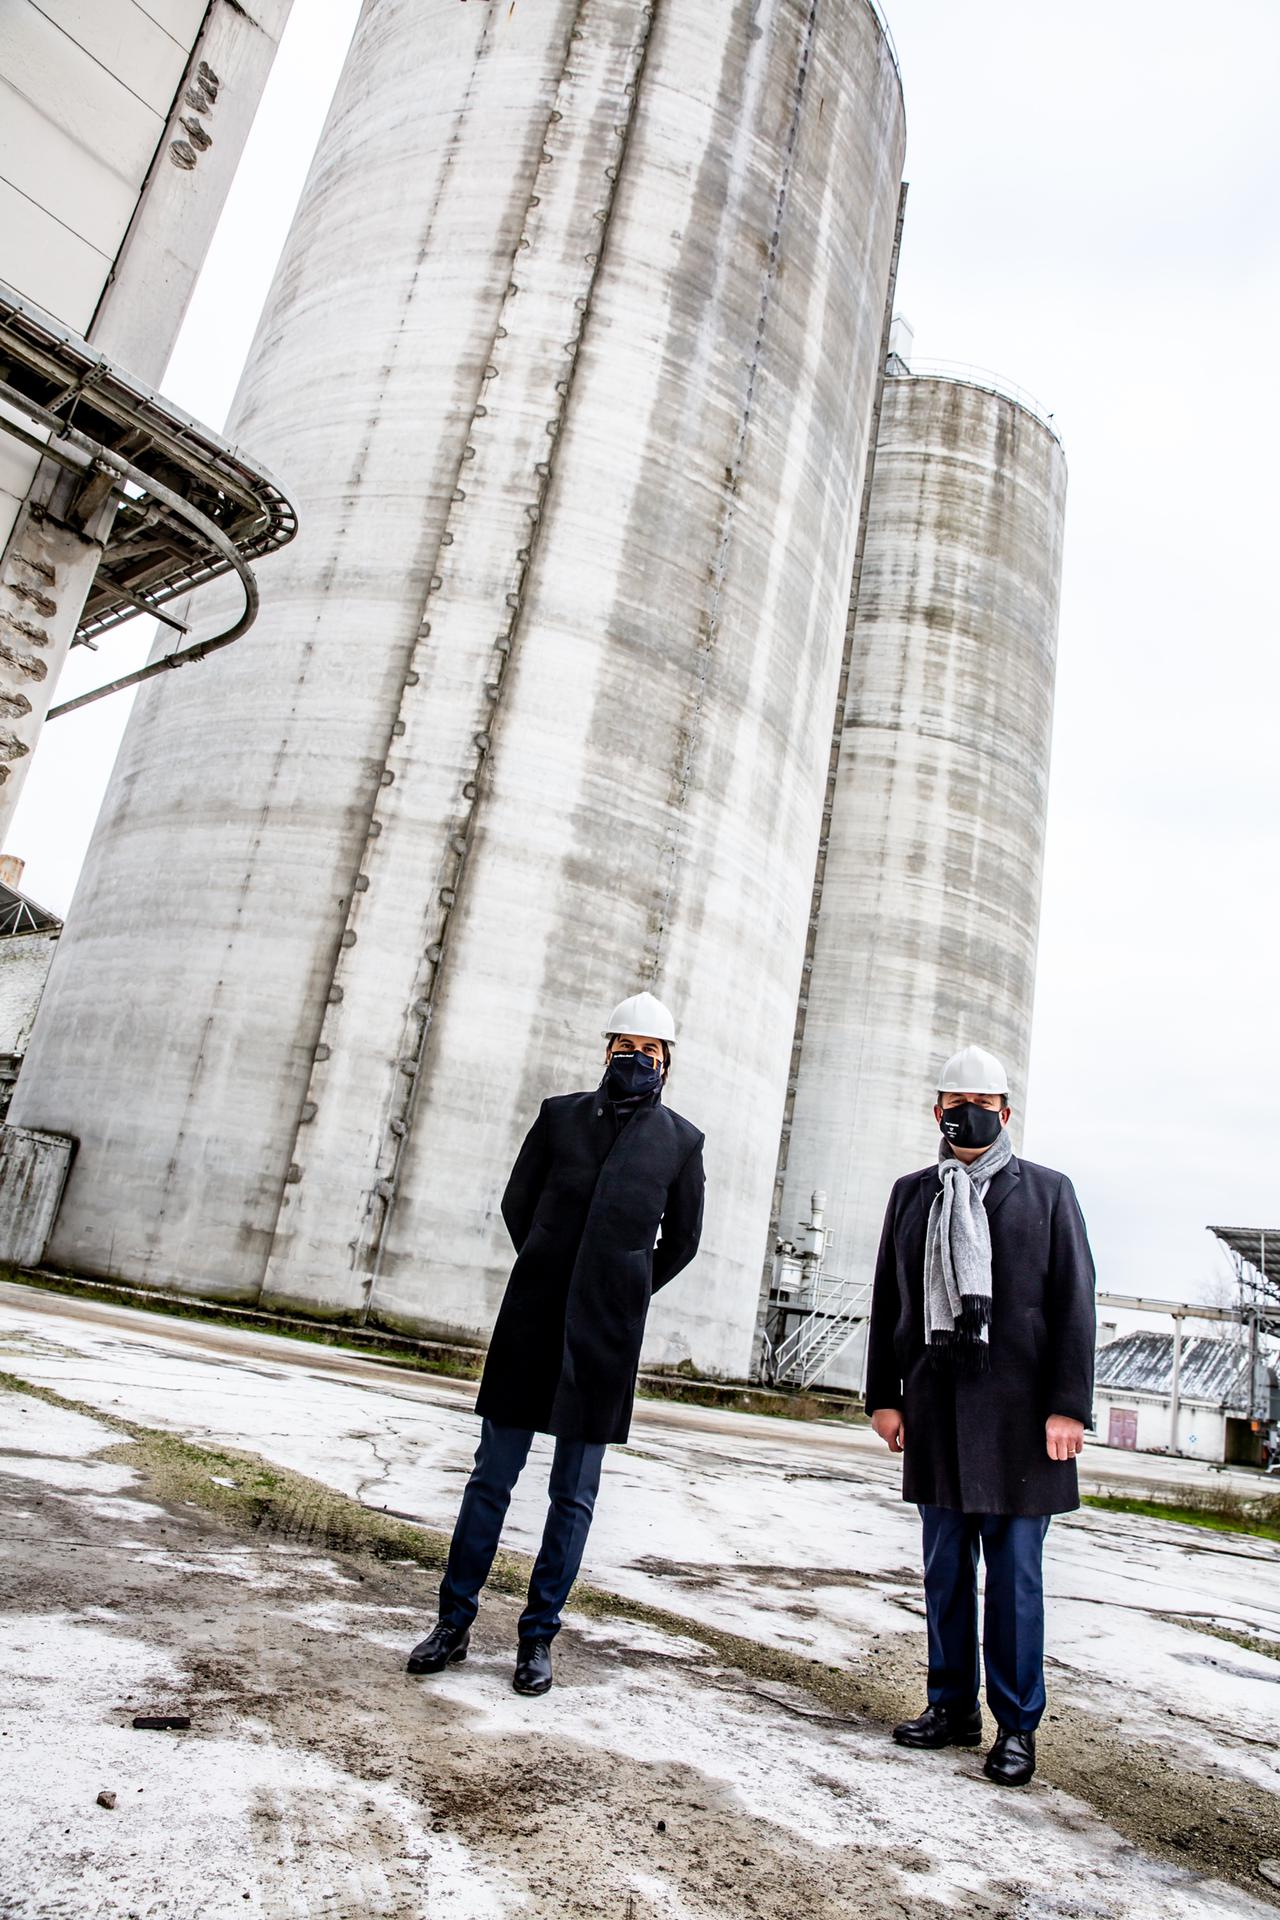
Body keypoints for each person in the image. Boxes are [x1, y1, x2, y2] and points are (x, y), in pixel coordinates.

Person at [407, 991, 705, 1696]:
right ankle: (452, 1624)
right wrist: (548, 1261)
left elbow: (684, 1241)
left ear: (667, 1064)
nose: (637, 1060)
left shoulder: (681, 1142)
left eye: (651, 1052)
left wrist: (623, 1288)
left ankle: (537, 1638)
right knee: (491, 1479)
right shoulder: (559, 1116)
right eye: (626, 1048)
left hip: (605, 1337)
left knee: (573, 1495)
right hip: (532, 1321)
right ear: (607, 1051)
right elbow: (520, 1201)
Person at [864, 1044, 1095, 1786]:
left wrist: (1069, 1409)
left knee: (1016, 1577)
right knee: (944, 1572)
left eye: (983, 1102)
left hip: (1025, 1421)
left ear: (1005, 1111)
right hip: (936, 1409)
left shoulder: (1049, 1193)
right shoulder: (912, 1193)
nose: (968, 1113)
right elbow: (889, 1301)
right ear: (937, 1110)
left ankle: (1016, 1725)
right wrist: (884, 1396)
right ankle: (950, 1707)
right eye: (954, 1101)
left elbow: (1074, 1307)